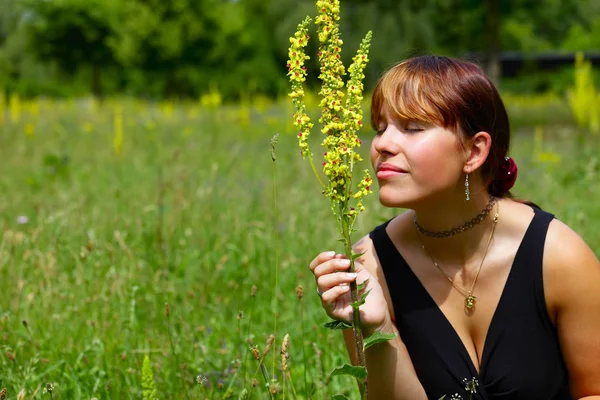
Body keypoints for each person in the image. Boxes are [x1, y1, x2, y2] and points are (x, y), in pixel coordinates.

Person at [309, 56, 600, 399]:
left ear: (474, 151)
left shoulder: (558, 257)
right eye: (380, 127)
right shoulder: (369, 268)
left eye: (412, 128)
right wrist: (377, 328)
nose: (382, 145)